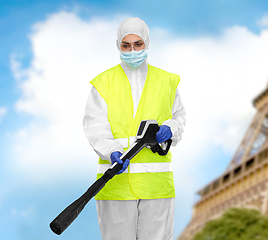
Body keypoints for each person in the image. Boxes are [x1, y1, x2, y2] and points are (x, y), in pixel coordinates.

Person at [83, 17, 186, 240]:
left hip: (156, 186)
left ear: (147, 43)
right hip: (115, 181)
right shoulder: (104, 82)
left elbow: (179, 116)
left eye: (137, 44)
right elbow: (94, 125)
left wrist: (170, 128)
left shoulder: (167, 81)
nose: (132, 50)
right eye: (126, 45)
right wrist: (110, 151)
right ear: (118, 45)